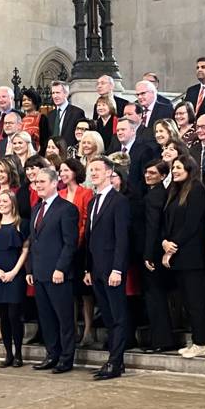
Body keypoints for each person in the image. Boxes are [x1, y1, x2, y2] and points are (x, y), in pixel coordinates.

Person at [26, 167, 79, 372]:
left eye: (42, 182)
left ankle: (66, 359)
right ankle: (52, 354)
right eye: (36, 182)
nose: (37, 185)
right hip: (39, 273)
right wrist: (30, 270)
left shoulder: (66, 209)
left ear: (54, 183)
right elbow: (33, 241)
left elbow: (70, 243)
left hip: (58, 274)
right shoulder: (36, 209)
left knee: (64, 318)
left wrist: (61, 269)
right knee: (46, 318)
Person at [84, 156, 131, 380]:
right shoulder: (93, 201)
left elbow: (122, 238)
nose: (93, 173)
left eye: (97, 169)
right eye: (90, 169)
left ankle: (115, 361)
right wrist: (87, 269)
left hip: (112, 268)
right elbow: (90, 237)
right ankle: (115, 361)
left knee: (118, 316)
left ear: (110, 173)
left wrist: (118, 269)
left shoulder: (118, 201)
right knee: (109, 317)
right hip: (97, 268)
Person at [162, 155, 205, 358]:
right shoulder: (174, 190)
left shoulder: (197, 189)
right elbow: (167, 222)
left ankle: (202, 343)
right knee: (186, 303)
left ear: (189, 169)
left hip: (191, 255)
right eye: (173, 169)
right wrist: (165, 242)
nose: (175, 171)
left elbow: (192, 224)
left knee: (195, 302)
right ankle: (196, 341)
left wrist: (173, 246)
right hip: (177, 255)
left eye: (179, 168)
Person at [0, 190, 30, 368]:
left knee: (14, 315)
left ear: (12, 203)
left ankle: (18, 353)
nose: (1, 204)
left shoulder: (22, 224)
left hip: (15, 274)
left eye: (5, 201)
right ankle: (8, 354)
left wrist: (13, 272)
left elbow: (25, 250)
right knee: (3, 316)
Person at [58, 158, 95, 347]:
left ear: (75, 172)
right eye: (61, 170)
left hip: (81, 247)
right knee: (69, 292)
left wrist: (75, 241)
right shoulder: (60, 193)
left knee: (85, 292)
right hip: (64, 248)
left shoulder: (86, 193)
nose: (63, 173)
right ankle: (70, 329)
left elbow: (86, 220)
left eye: (66, 170)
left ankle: (88, 330)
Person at [141, 159, 173, 352]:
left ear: (162, 176)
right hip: (156, 251)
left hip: (153, 254)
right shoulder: (159, 193)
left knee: (155, 298)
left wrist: (147, 255)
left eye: (152, 173)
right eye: (146, 172)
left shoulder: (155, 196)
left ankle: (161, 341)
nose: (147, 175)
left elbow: (153, 227)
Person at [47, 81, 86, 145]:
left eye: (58, 93)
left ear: (66, 94)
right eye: (53, 93)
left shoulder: (77, 113)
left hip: (70, 151)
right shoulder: (50, 115)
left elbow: (81, 135)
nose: (55, 96)